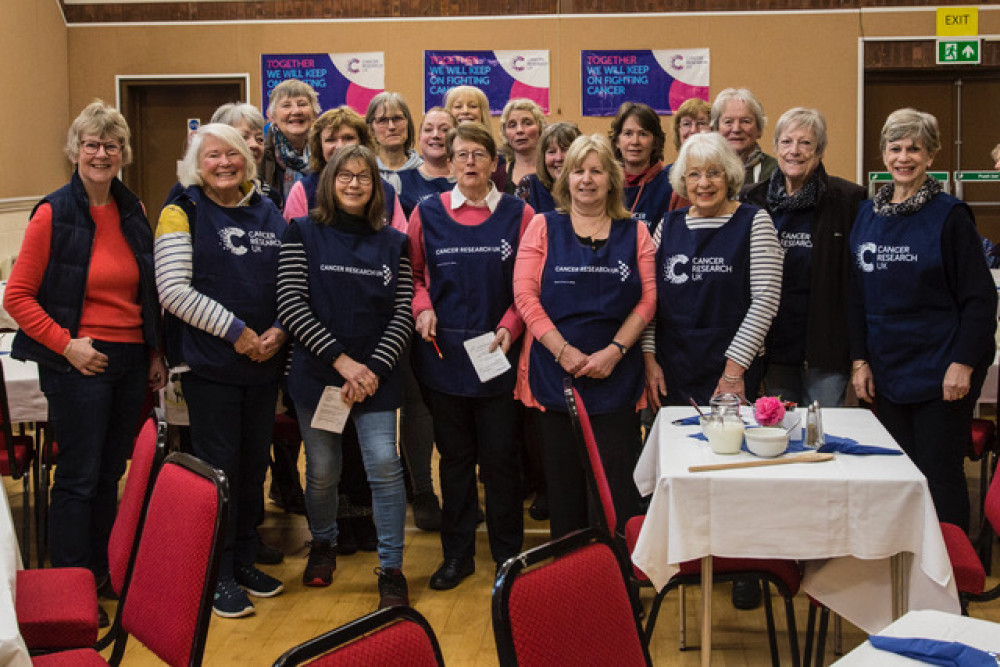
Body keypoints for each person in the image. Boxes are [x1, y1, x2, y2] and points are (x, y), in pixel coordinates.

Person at [4, 101, 165, 626]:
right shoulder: (53, 212)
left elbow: (148, 290)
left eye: (111, 145)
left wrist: (156, 352)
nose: (101, 153)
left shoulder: (133, 209)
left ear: (123, 154)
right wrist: (66, 343)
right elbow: (19, 298)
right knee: (77, 476)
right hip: (76, 361)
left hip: (130, 359)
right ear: (76, 151)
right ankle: (70, 588)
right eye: (92, 144)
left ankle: (103, 571)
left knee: (110, 473)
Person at [156, 123, 287, 618]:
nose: (225, 163)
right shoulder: (180, 211)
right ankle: (218, 572)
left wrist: (278, 330)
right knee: (220, 471)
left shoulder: (268, 211)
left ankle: (247, 554)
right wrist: (238, 333)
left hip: (264, 363)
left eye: (233, 155)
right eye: (213, 155)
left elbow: (289, 278)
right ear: (197, 162)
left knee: (254, 466)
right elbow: (173, 290)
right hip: (211, 367)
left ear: (248, 161)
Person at [277, 145, 413, 607]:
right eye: (345, 176)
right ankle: (323, 543)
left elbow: (402, 315)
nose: (355, 184)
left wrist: (370, 368)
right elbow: (292, 306)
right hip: (320, 377)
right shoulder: (302, 233)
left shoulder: (394, 243)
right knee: (322, 472)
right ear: (329, 183)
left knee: (383, 466)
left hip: (376, 378)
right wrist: (343, 363)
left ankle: (391, 569)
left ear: (377, 188)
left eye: (365, 177)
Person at [849, 108, 997, 533]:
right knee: (898, 472)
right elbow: (856, 295)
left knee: (939, 473)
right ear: (883, 153)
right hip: (887, 367)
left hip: (941, 370)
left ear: (931, 155)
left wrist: (963, 363)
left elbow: (979, 299)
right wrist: (860, 360)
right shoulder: (867, 215)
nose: (904, 157)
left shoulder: (950, 216)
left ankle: (953, 576)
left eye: (915, 148)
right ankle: (909, 564)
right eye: (895, 147)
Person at [409, 123, 533, 589]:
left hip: (498, 354)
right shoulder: (427, 213)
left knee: (501, 461)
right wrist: (422, 309)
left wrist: (510, 325)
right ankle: (456, 555)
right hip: (444, 358)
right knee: (455, 460)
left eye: (479, 154)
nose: (469, 162)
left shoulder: (519, 214)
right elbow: (416, 276)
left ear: (495, 163)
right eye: (461, 154)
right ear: (450, 161)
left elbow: (528, 286)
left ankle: (508, 558)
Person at [513, 134, 656, 540]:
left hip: (617, 378)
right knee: (564, 491)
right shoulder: (543, 226)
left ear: (612, 179)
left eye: (596, 171)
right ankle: (572, 582)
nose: (587, 179)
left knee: (616, 490)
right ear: (566, 179)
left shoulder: (636, 232)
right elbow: (524, 295)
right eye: (578, 170)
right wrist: (564, 352)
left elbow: (648, 300)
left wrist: (615, 351)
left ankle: (620, 582)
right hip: (556, 377)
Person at [644, 132, 783, 409]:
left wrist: (733, 372)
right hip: (673, 368)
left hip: (733, 368)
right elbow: (649, 301)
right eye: (694, 174)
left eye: (714, 173)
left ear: (729, 176)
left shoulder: (755, 222)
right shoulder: (667, 225)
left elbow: (765, 303)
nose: (704, 183)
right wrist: (649, 359)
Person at [742, 108, 866, 406]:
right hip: (773, 347)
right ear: (775, 148)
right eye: (786, 142)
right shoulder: (752, 199)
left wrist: (859, 355)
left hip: (825, 349)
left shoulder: (848, 200)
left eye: (805, 143)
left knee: (821, 435)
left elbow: (856, 281)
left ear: (820, 150)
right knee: (779, 432)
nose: (794, 151)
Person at [282, 106, 407, 231]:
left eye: (348, 138)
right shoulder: (303, 190)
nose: (340, 146)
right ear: (319, 147)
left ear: (362, 143)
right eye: (330, 140)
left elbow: (400, 241)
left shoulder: (386, 191)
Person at [609, 102, 672, 235]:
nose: (635, 141)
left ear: (655, 142)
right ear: (617, 141)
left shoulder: (670, 186)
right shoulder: (607, 184)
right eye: (628, 133)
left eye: (643, 134)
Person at [210, 102, 284, 210]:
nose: (254, 145)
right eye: (244, 137)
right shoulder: (195, 192)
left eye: (260, 139)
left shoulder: (271, 197)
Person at [261, 79, 320, 201]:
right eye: (286, 105)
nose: (296, 111)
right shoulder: (260, 154)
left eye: (302, 104)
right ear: (271, 115)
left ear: (315, 113)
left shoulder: (325, 151)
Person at [396, 107, 457, 218]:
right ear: (419, 137)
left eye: (444, 130)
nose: (435, 135)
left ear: (457, 139)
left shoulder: (468, 179)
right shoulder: (400, 181)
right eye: (428, 129)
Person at [711, 88, 777, 186]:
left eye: (745, 121)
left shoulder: (776, 171)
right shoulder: (706, 169)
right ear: (716, 129)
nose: (736, 129)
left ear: (759, 129)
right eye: (728, 122)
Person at [516, 122, 581, 215]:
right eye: (551, 152)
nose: (558, 158)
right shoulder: (529, 185)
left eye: (565, 149)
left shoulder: (587, 187)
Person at [366, 92, 422, 191]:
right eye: (382, 120)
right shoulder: (365, 171)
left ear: (408, 123)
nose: (391, 126)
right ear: (371, 129)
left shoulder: (425, 171)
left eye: (397, 118)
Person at [497, 99, 546, 194]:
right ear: (505, 133)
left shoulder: (553, 171)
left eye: (527, 123)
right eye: (512, 125)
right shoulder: (496, 176)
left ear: (540, 128)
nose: (519, 130)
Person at [669, 98, 711, 171]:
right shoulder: (666, 176)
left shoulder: (725, 172)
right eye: (686, 124)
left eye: (701, 123)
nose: (693, 130)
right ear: (678, 130)